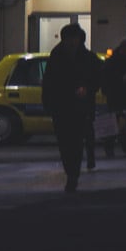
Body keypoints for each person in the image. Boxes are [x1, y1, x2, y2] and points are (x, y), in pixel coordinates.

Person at [41, 23, 102, 193]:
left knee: (75, 142)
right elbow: (49, 82)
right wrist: (48, 103)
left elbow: (98, 77)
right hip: (61, 105)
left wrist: (87, 88)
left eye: (75, 38)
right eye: (69, 38)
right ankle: (71, 172)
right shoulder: (57, 55)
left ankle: (73, 174)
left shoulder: (88, 57)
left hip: (80, 106)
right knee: (65, 142)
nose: (72, 42)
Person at [100, 38, 126, 157]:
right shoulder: (112, 61)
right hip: (115, 95)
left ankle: (124, 139)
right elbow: (106, 77)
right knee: (112, 121)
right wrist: (120, 80)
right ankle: (110, 146)